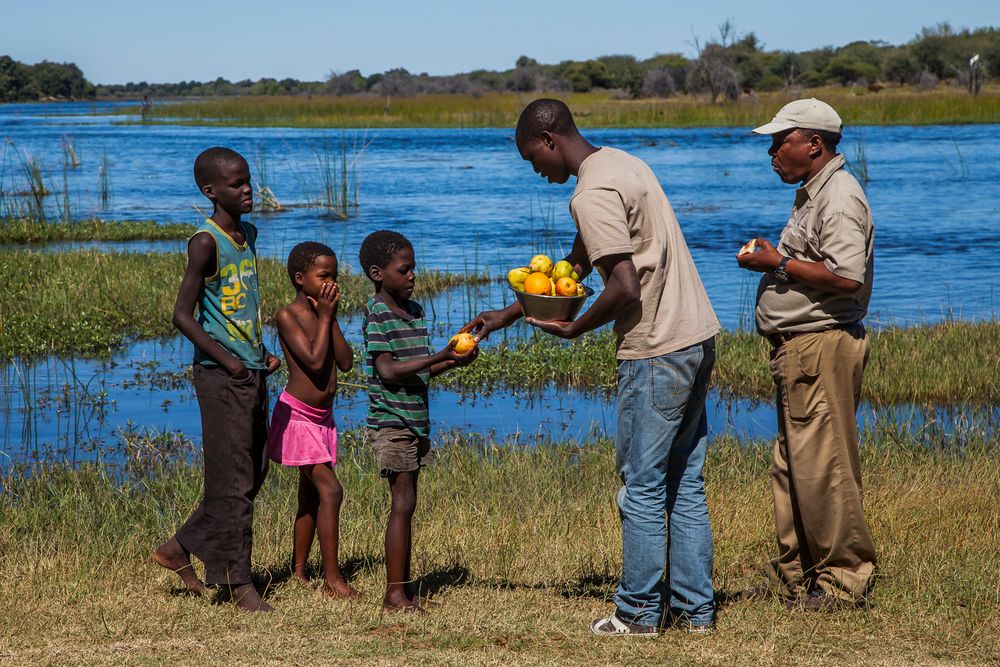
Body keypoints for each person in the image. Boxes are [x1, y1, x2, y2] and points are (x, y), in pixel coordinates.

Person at [464, 99, 720, 635]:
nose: (534, 169)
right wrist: (509, 314)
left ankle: (639, 614)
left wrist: (575, 329)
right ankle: (696, 613)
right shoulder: (620, 164)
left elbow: (624, 286)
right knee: (684, 482)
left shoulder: (591, 192)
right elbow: (578, 265)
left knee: (642, 484)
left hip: (655, 348)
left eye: (532, 156)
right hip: (695, 334)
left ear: (550, 139)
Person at [737, 98, 877, 611]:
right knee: (792, 466)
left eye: (781, 142)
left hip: (820, 346)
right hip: (799, 349)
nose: (773, 153)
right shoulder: (813, 194)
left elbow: (845, 277)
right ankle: (798, 579)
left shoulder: (838, 196)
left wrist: (779, 263)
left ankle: (843, 582)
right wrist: (779, 263)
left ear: (813, 144)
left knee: (825, 467)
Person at [153, 146, 281, 612]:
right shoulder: (204, 242)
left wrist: (259, 352)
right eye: (235, 184)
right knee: (233, 479)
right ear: (210, 191)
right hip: (220, 376)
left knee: (254, 469)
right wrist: (228, 361)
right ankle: (237, 581)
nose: (247, 189)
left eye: (248, 180)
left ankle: (179, 547)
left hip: (250, 368)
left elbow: (242, 307)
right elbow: (182, 316)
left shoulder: (247, 234)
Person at [360, 230, 477, 612]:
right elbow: (389, 371)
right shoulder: (377, 314)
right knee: (402, 502)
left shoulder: (415, 312)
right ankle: (395, 593)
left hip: (416, 420)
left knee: (408, 503)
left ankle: (404, 588)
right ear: (378, 273)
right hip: (392, 421)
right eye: (404, 270)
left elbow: (421, 372)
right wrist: (439, 354)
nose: (413, 276)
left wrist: (454, 359)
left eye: (414, 269)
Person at [267, 241, 359, 599]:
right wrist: (323, 317)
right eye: (323, 276)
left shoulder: (325, 315)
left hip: (323, 418)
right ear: (300, 278)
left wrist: (330, 318)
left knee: (309, 497)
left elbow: (346, 361)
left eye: (334, 275)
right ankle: (332, 580)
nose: (330, 282)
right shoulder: (287, 316)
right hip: (298, 418)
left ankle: (299, 571)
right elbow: (316, 362)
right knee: (330, 490)